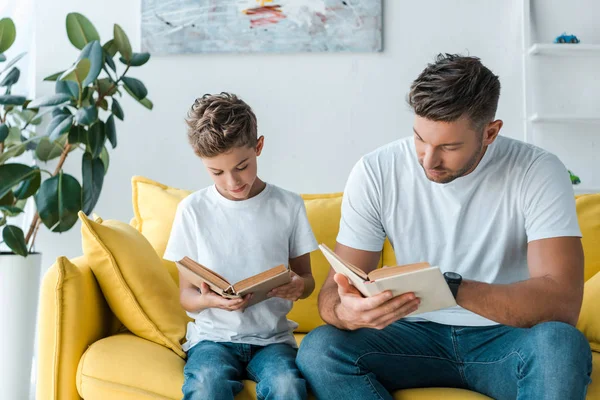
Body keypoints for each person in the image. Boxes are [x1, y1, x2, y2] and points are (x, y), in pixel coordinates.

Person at [297, 54, 592, 400]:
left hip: (505, 338)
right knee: (320, 349)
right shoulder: (376, 170)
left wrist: (447, 287)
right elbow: (333, 293)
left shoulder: (537, 171)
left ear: (490, 132)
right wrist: (346, 313)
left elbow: (562, 303)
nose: (428, 159)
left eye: (449, 147)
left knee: (560, 345)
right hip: (409, 336)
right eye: (420, 139)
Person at [164, 92, 318, 400]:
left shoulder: (287, 205)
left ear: (258, 147)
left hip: (273, 341)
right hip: (212, 340)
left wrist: (297, 286)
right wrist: (210, 301)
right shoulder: (192, 210)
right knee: (207, 384)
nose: (232, 181)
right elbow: (186, 295)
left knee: (287, 386)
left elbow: (308, 280)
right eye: (217, 172)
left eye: (242, 166)